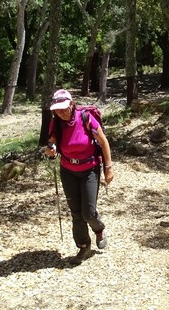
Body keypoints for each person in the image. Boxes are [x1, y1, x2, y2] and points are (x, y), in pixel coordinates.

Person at [44, 89, 114, 263]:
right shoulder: (57, 123)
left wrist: (108, 168)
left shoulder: (85, 118)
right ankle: (83, 247)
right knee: (76, 213)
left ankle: (99, 228)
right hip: (68, 170)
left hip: (90, 168)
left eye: (63, 108)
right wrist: (50, 150)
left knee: (88, 213)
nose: (60, 111)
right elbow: (51, 143)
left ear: (71, 105)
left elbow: (104, 142)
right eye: (57, 109)